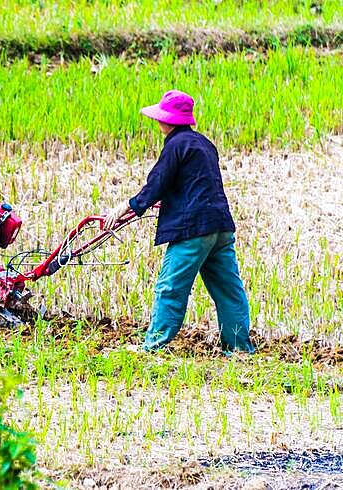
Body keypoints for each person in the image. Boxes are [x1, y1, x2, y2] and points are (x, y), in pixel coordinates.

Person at [103, 90, 254, 353]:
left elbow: (157, 184)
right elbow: (196, 184)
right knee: (229, 291)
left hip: (193, 230)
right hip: (220, 227)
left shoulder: (175, 145)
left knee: (170, 287)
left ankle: (153, 345)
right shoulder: (204, 143)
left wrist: (127, 206)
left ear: (167, 120)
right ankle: (240, 348)